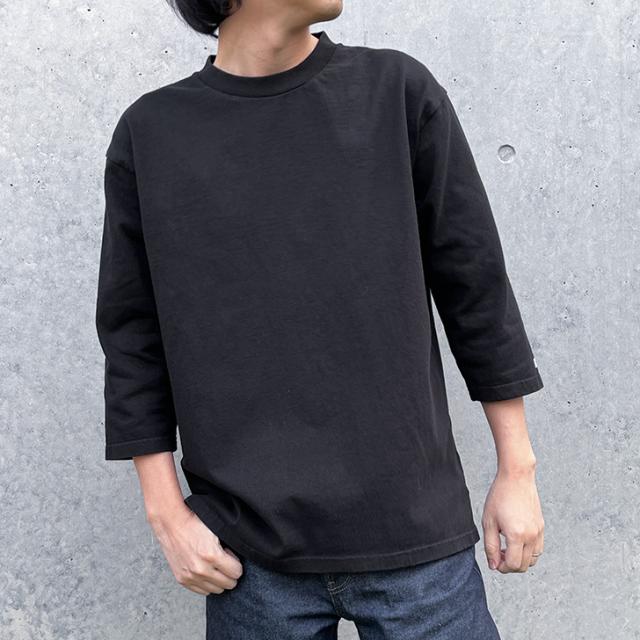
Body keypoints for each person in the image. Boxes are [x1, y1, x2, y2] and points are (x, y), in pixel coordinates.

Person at [95, 1, 545, 638]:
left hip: (417, 545)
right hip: (251, 563)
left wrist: (517, 470)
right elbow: (133, 337)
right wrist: (167, 515)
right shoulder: (153, 133)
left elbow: (477, 290)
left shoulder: (396, 92)